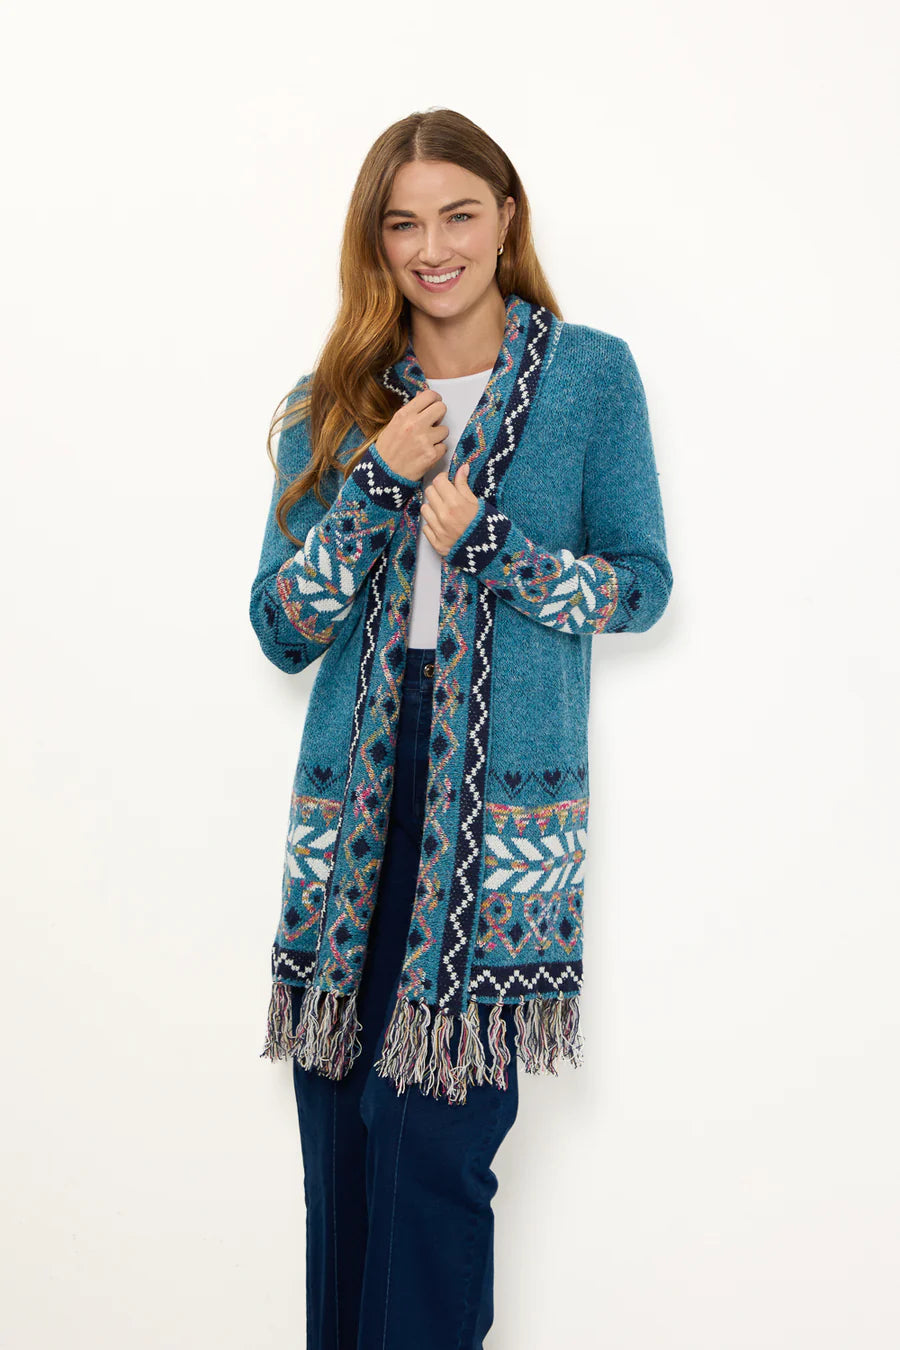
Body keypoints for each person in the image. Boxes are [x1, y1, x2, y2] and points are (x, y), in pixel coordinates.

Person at [249, 107, 674, 1350]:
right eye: (403, 224)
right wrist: (374, 484)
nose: (433, 248)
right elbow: (282, 627)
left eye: (458, 215)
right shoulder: (332, 403)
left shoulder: (589, 378)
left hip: (500, 816)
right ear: (375, 242)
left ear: (506, 219)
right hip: (354, 805)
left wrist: (496, 549)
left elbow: (641, 586)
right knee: (342, 1148)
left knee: (428, 1145)